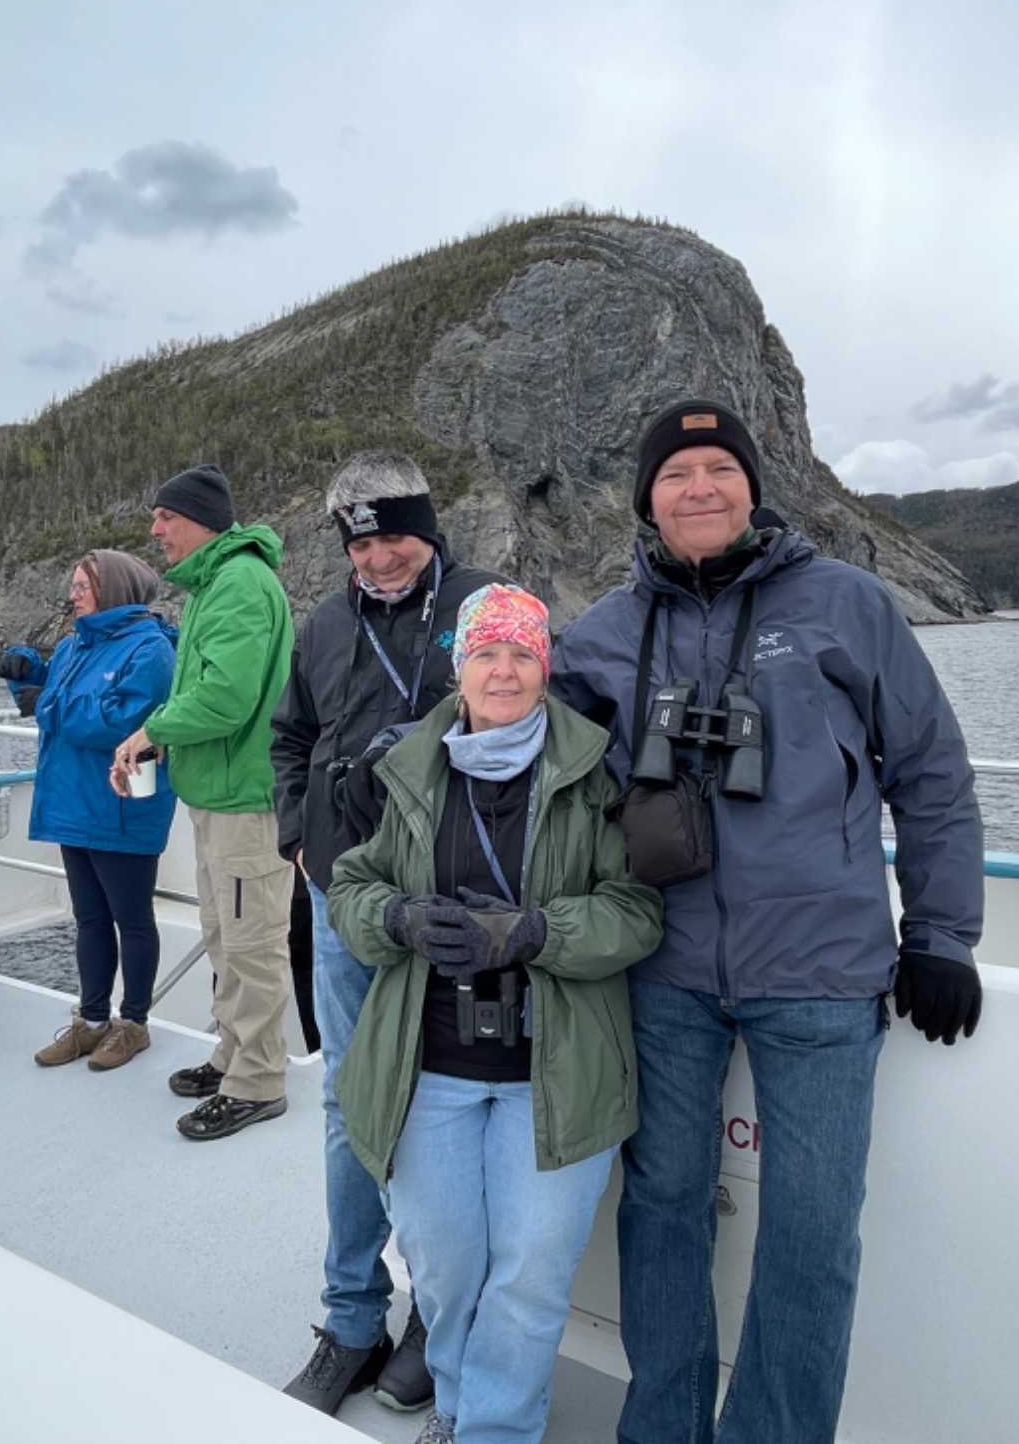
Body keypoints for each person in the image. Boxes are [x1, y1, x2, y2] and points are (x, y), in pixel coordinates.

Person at [551, 398, 986, 1442]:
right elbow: (520, 755)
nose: (698, 487)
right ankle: (661, 1429)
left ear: (752, 486)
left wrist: (939, 936)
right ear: (646, 500)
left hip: (821, 974)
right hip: (660, 969)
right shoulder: (604, 630)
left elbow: (930, 774)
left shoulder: (847, 605)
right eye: (675, 473)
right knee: (661, 1208)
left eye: (719, 468)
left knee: (811, 1231)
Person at [329, 584, 661, 1444]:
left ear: (546, 669)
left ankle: (495, 1431)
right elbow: (351, 888)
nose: (503, 670)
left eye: (522, 653)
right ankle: (456, 1402)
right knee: (442, 1269)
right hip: (427, 1066)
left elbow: (636, 912)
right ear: (459, 668)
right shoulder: (410, 766)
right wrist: (396, 917)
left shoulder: (595, 773)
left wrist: (536, 933)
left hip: (554, 1072)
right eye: (485, 653)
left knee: (529, 1278)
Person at [271, 451, 505, 1416]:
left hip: (455, 903)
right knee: (349, 1104)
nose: (378, 558)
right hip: (345, 901)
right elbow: (291, 738)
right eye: (360, 544)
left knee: (443, 1107)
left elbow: (536, 722)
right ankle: (353, 1317)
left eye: (395, 537)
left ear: (428, 528)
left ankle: (434, 1319)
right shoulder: (325, 623)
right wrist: (296, 838)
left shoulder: (485, 605)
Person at [111, 464, 297, 1141]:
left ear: (199, 521)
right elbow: (206, 690)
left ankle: (258, 1082)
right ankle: (232, 1056)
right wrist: (167, 741)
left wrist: (153, 731)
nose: (155, 529)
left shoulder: (239, 584)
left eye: (166, 517)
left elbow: (225, 698)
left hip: (246, 802)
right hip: (218, 795)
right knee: (225, 937)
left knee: (251, 946)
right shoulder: (213, 585)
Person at [0, 550, 179, 1072]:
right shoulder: (75, 643)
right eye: (73, 586)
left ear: (113, 589)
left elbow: (123, 721)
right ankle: (92, 1020)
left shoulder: (151, 650)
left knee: (133, 920)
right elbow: (59, 687)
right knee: (90, 919)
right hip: (73, 802)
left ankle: (134, 1024)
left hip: (122, 804)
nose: (72, 595)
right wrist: (27, 669)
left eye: (82, 586)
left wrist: (44, 701)